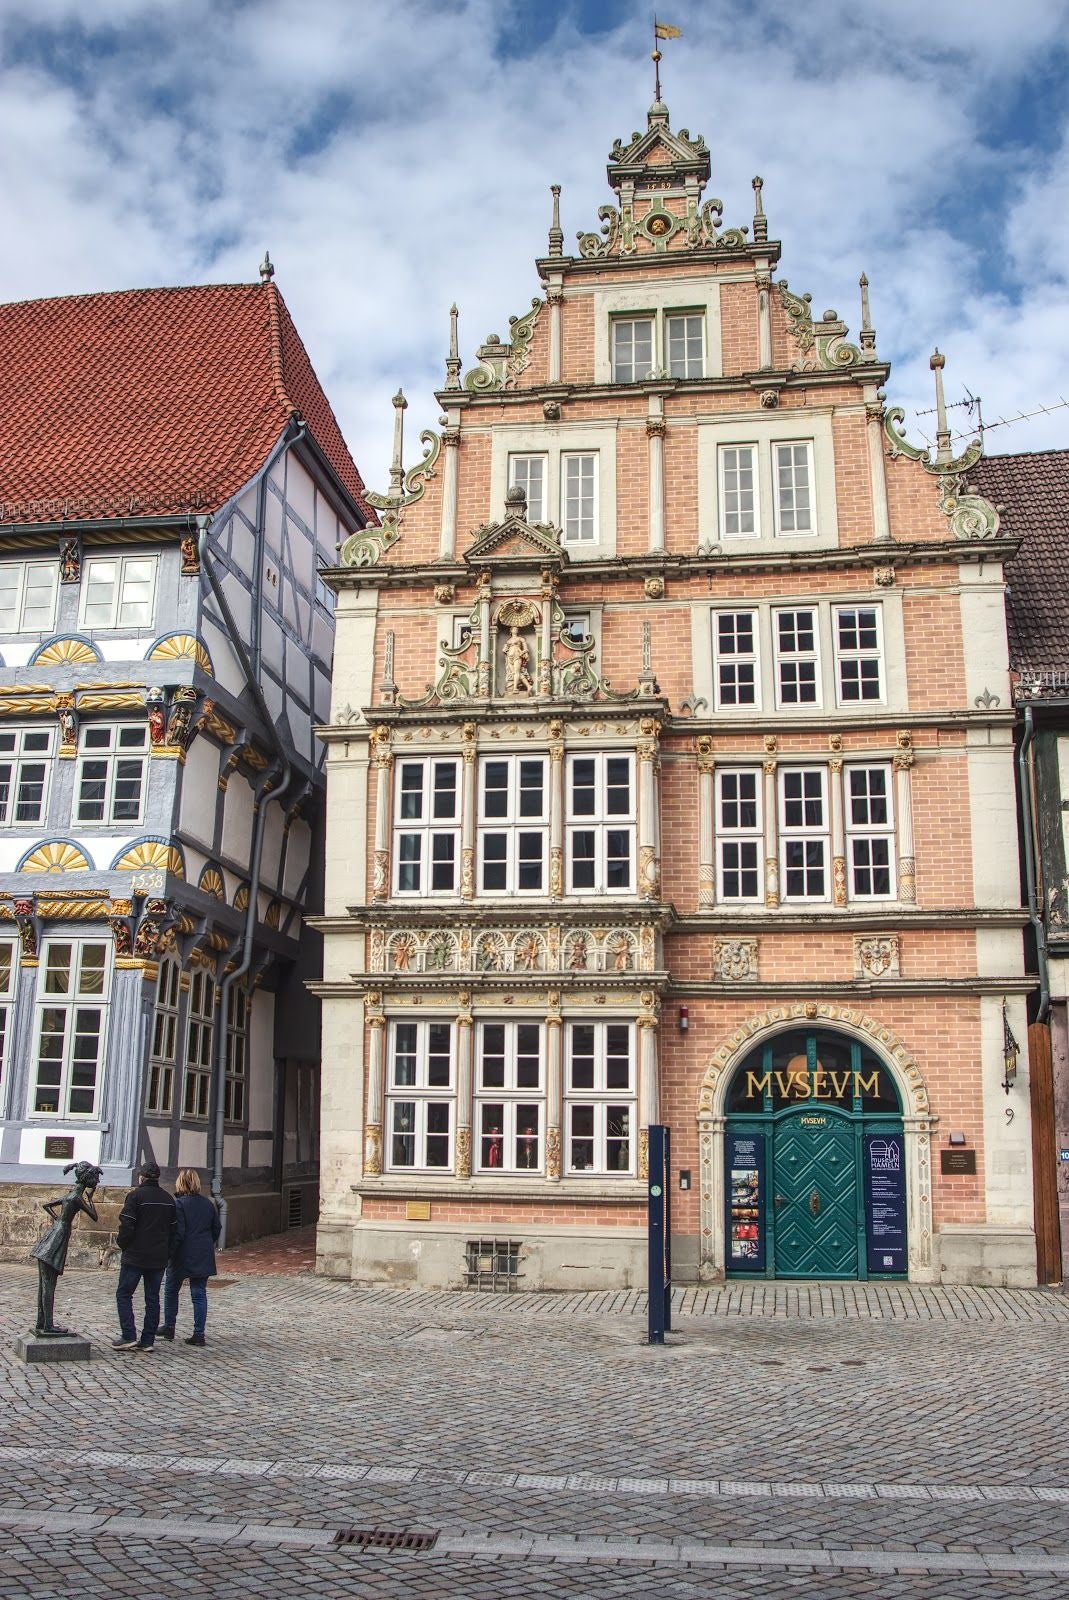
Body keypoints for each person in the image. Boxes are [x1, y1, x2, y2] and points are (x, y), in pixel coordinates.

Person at [30, 1161, 102, 1336]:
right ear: (87, 1179)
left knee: (44, 1284)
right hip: (58, 1238)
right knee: (49, 1285)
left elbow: (47, 1206)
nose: (97, 1182)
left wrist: (58, 1219)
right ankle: (48, 1326)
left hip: (54, 1233)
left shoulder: (70, 1195)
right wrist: (91, 1200)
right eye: (95, 1178)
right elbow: (94, 1216)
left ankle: (42, 1322)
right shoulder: (77, 1198)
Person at [113, 1160, 176, 1352]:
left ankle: (128, 1335)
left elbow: (127, 1226)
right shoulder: (168, 1199)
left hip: (135, 1255)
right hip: (158, 1257)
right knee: (152, 1298)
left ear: (141, 1177)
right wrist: (167, 1252)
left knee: (124, 1294)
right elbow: (174, 1230)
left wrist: (124, 1245)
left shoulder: (135, 1197)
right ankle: (148, 1339)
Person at [160, 1169, 221, 1347]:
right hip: (202, 1253)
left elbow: (177, 1232)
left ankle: (169, 1326)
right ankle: (199, 1333)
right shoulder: (208, 1204)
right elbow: (216, 1228)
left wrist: (169, 1252)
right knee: (199, 1293)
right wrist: (206, 1243)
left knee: (171, 1290)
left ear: (179, 1183)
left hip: (181, 1254)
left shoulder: (178, 1204)